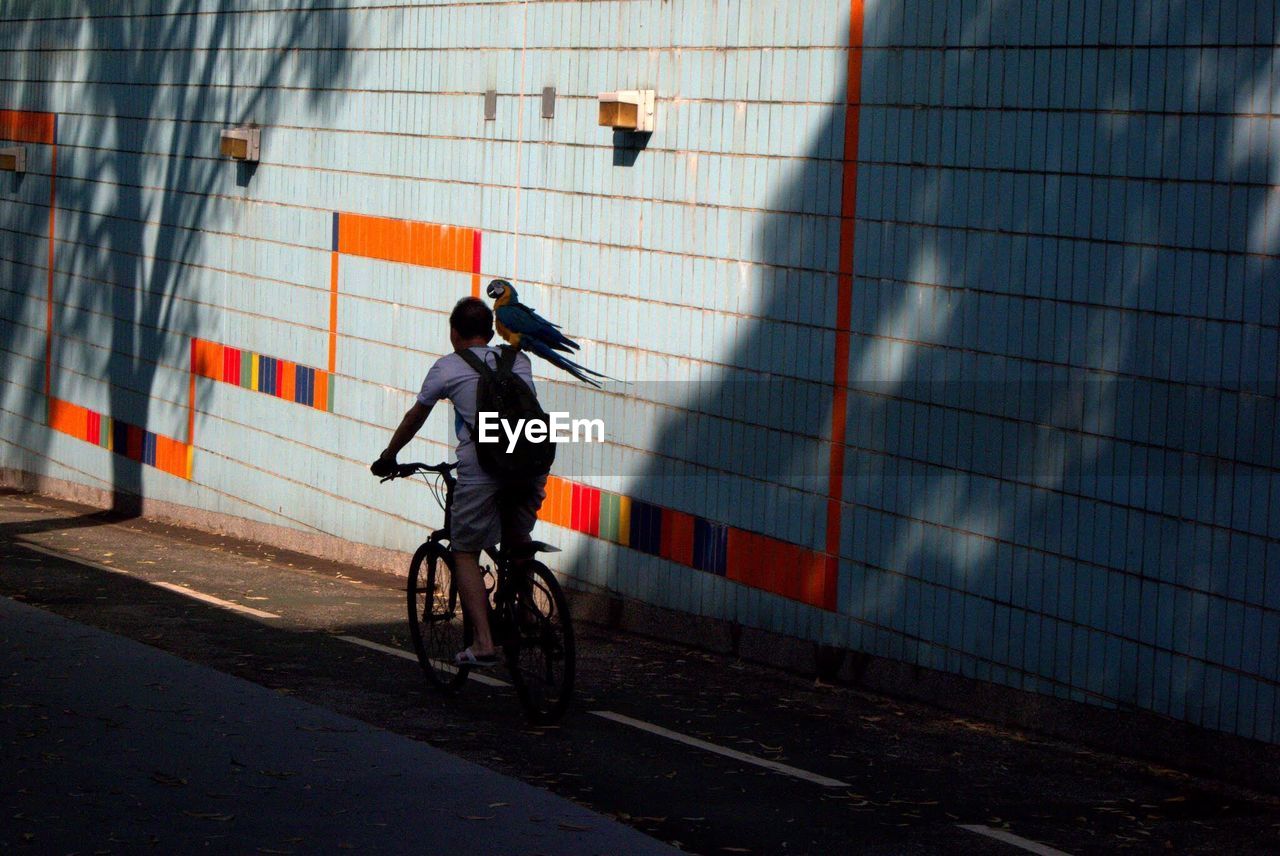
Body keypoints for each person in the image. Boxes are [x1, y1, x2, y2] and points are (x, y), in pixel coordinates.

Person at [371, 296, 546, 667]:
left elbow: (416, 415)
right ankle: (529, 616)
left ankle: (483, 643)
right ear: (489, 329)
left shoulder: (447, 368)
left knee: (464, 550)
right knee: (518, 539)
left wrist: (389, 456)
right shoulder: (520, 360)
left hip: (482, 472)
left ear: (454, 333)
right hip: (531, 466)